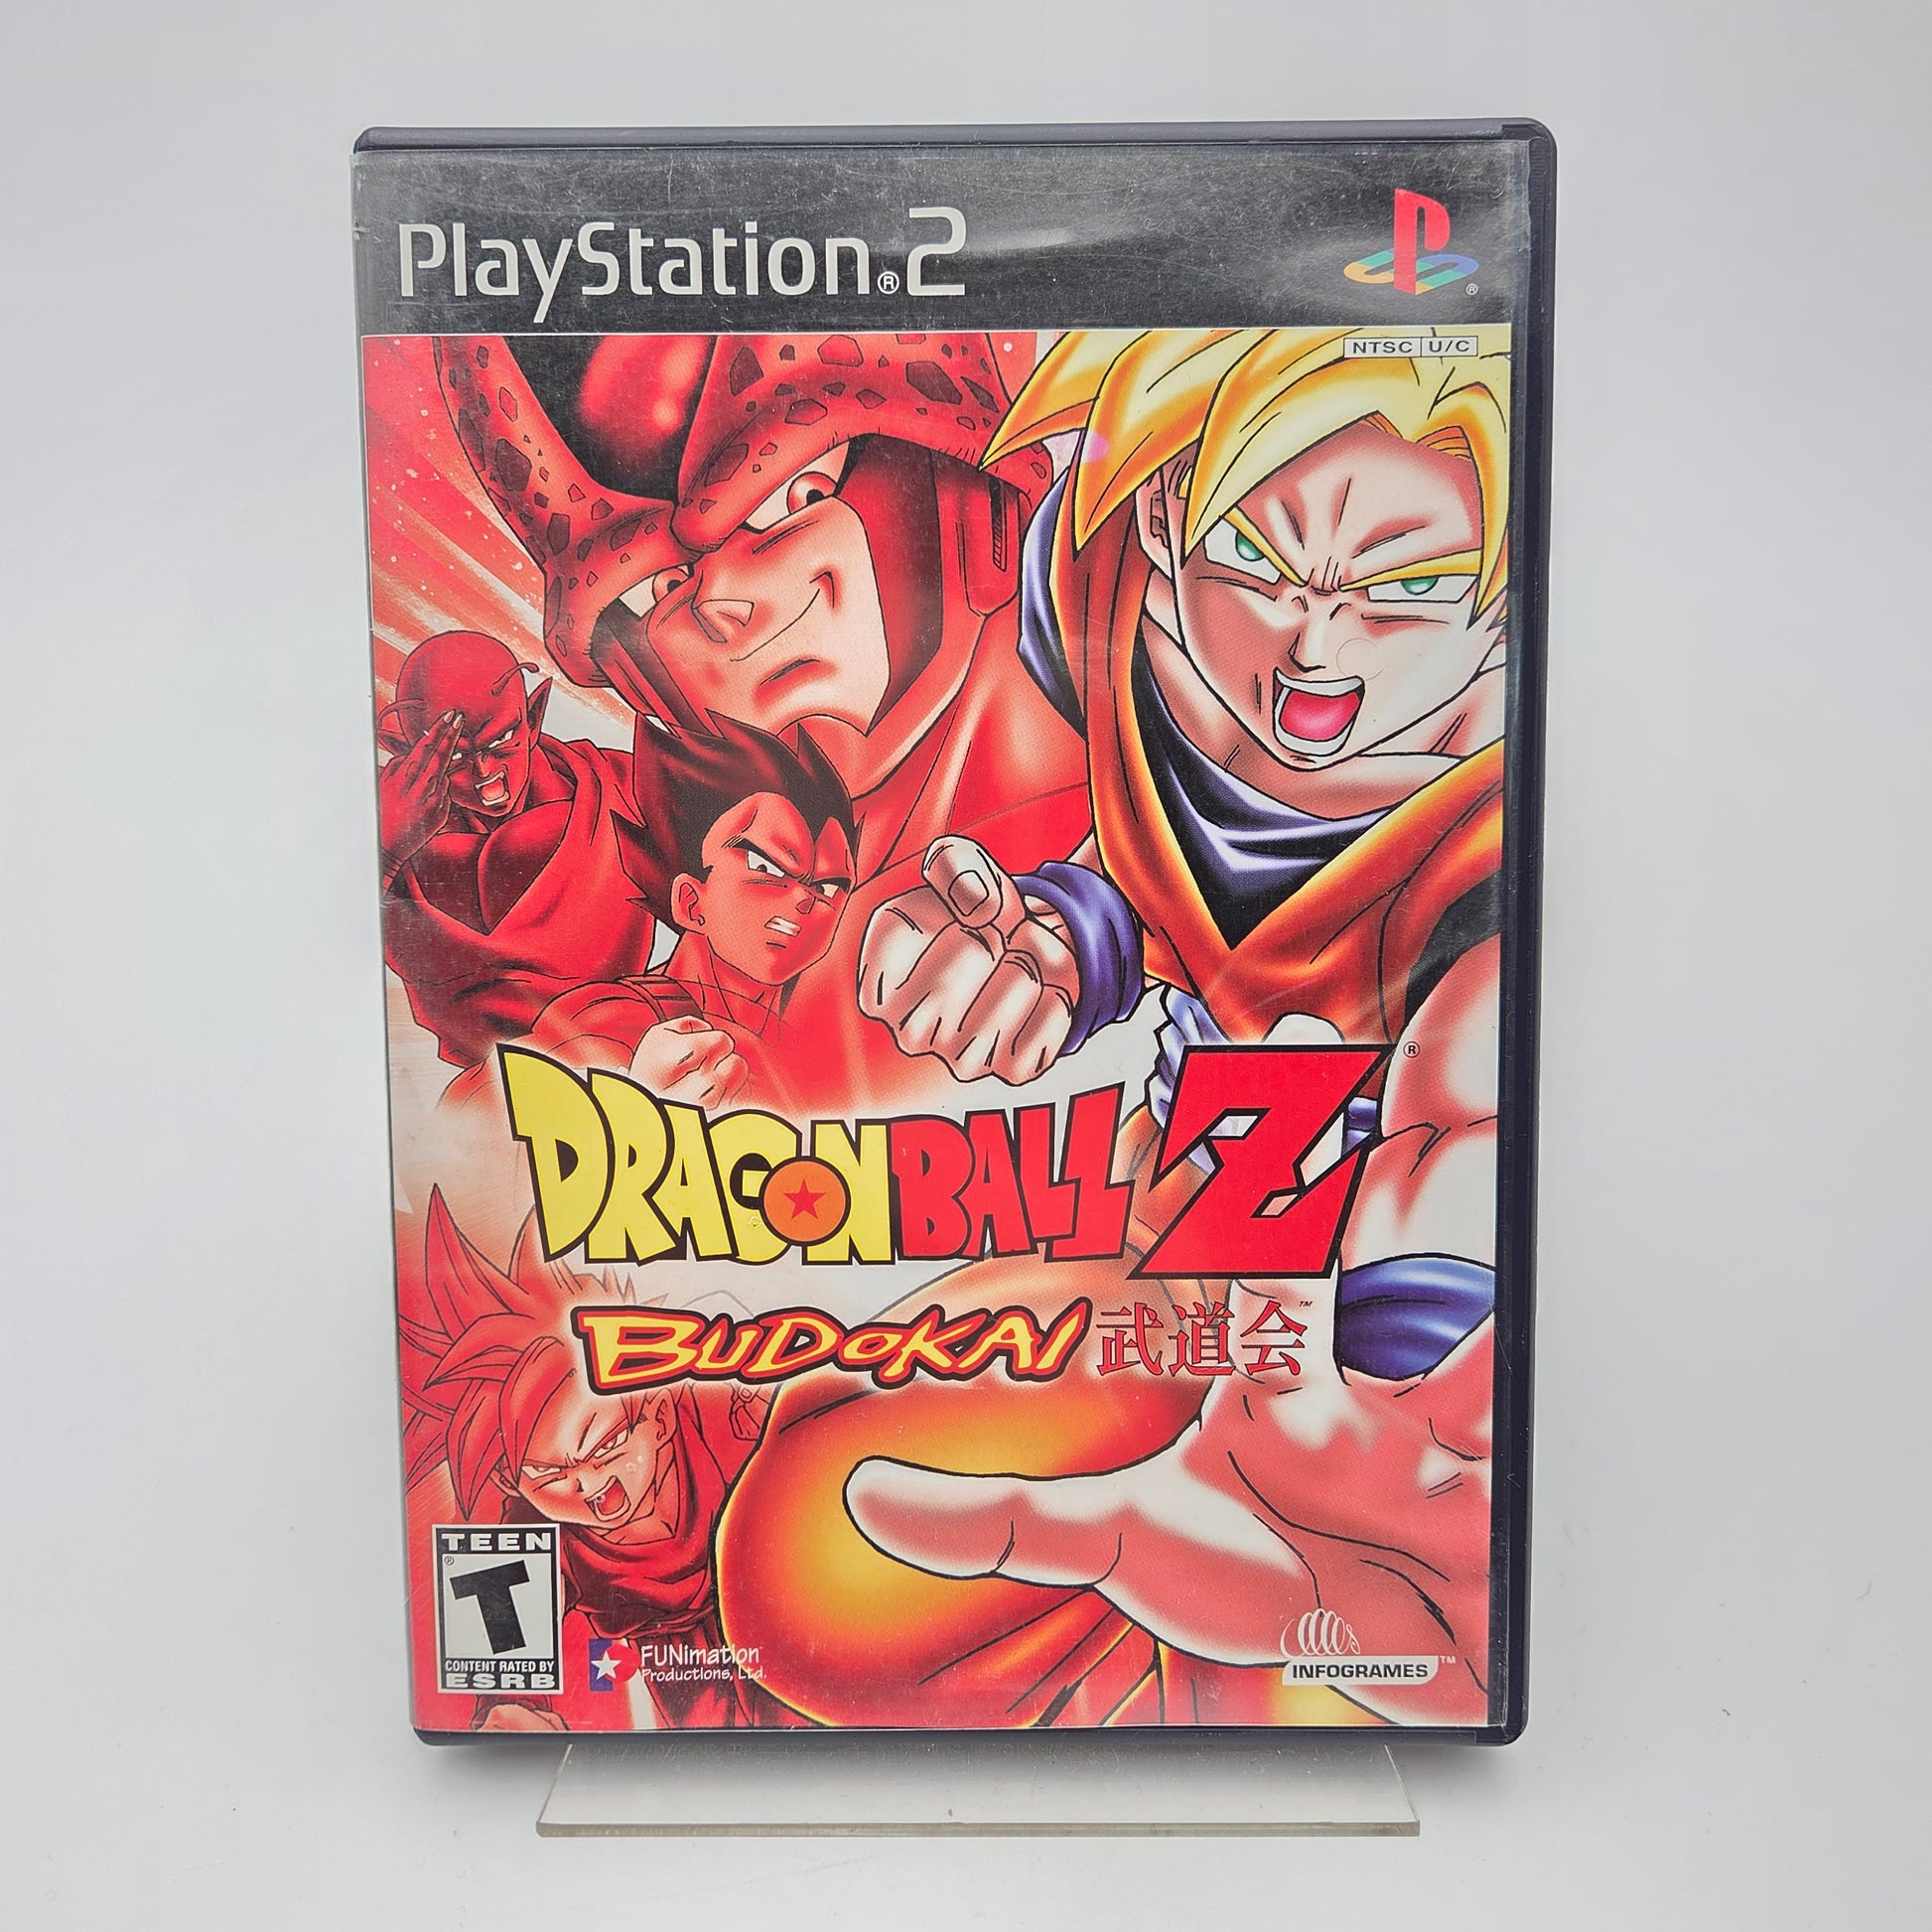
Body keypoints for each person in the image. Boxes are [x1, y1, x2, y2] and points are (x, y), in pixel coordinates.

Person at [720, 328, 1515, 1727]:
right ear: (1157, 515)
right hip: (1193, 1220)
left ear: (1498, 602)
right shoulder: (1115, 611)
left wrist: (1409, 1338)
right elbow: (1168, 883)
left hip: (1336, 1324)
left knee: (1274, 1666)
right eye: (1256, 560)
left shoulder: (1487, 827)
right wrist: (1056, 936)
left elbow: (1460, 1097)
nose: (1314, 647)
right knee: (806, 1548)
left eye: (1405, 589)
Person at [436, 331, 1090, 1109]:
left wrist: (1089, 931)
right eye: (659, 590)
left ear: (964, 503)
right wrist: (603, 1092)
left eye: (793, 501)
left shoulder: (1132, 693)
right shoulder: (733, 823)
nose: (721, 603)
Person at [400, 1188, 797, 1729]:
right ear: (513, 1481)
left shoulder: (725, 1413)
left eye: (606, 1445)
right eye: (550, 1474)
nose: (588, 1485)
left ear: (658, 1414)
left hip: (786, 1604)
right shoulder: (530, 1527)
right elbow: (497, 1642)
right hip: (677, 1659)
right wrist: (507, 1708)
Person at [515, 716, 857, 1115]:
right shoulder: (617, 1021)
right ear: (691, 901)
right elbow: (478, 1111)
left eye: (827, 887)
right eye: (766, 868)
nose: (804, 899)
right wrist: (626, 1096)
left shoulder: (816, 1056)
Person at [378, 629, 651, 1066]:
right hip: (482, 1077)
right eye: (454, 758)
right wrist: (388, 849)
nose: (485, 774)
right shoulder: (383, 829)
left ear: (534, 717)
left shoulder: (616, 785)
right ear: (405, 750)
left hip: (628, 1051)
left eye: (500, 741)